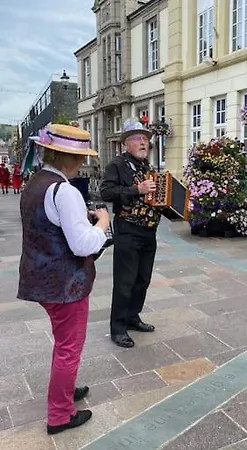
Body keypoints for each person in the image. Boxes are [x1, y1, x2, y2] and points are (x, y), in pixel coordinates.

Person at [17, 124, 109, 434]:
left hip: (42, 278)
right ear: (69, 157)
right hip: (65, 284)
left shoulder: (35, 183)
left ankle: (64, 390)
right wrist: (102, 223)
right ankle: (60, 415)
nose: (82, 163)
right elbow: (82, 244)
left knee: (63, 343)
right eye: (81, 157)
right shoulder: (64, 191)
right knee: (69, 348)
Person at [100, 118, 159, 349]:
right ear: (126, 143)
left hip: (148, 231)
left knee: (143, 279)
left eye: (145, 139)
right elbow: (106, 192)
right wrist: (137, 189)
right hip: (128, 230)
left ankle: (133, 317)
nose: (143, 142)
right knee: (125, 281)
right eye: (138, 138)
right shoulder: (117, 165)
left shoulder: (147, 167)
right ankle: (118, 328)